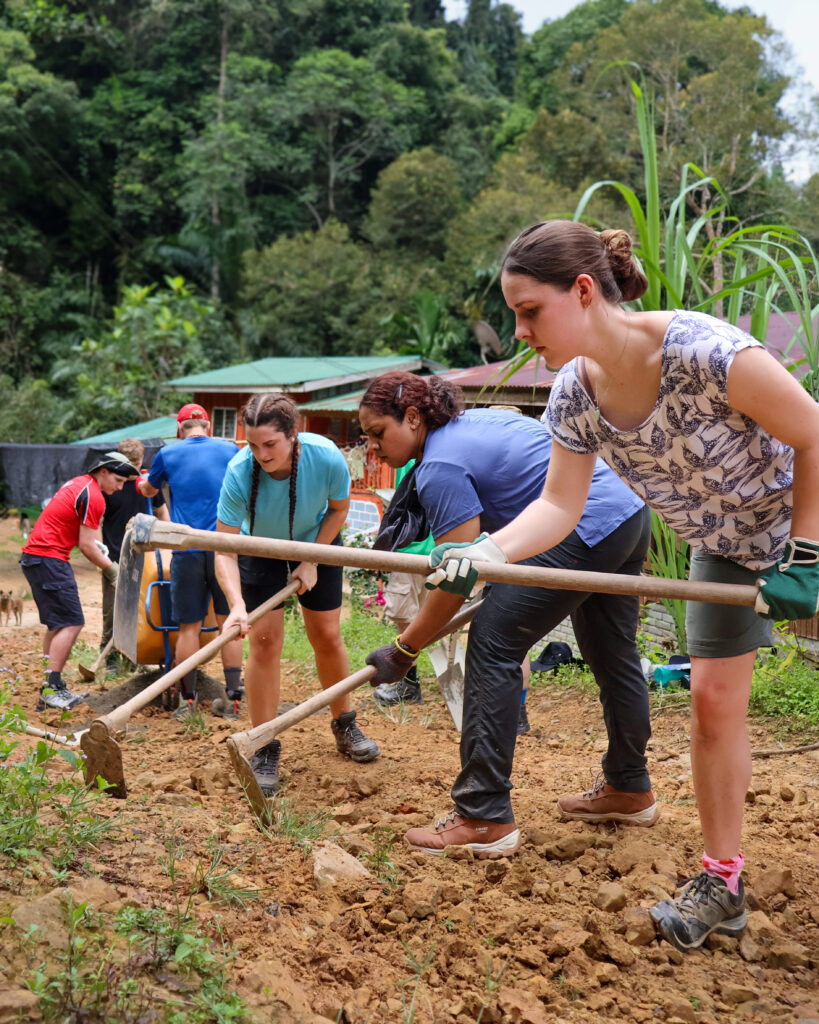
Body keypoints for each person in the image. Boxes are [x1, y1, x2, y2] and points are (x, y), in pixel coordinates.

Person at [425, 219, 819, 951]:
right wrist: (486, 550)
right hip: (724, 547)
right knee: (709, 704)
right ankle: (722, 884)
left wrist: (807, 553)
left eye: (529, 311)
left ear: (581, 291)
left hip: (806, 526)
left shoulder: (706, 353)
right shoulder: (574, 394)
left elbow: (814, 432)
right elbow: (556, 507)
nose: (518, 333)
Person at [359, 372, 653, 861]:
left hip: (579, 528)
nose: (372, 448)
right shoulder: (475, 423)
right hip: (625, 517)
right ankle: (630, 786)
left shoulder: (440, 466)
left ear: (412, 418)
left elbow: (456, 578)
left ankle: (483, 815)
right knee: (612, 652)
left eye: (377, 433)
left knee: (493, 646)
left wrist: (404, 649)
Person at [214, 393, 380, 798]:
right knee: (264, 641)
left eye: (270, 444)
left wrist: (312, 559)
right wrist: (236, 605)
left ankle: (345, 723)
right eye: (252, 445)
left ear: (293, 435)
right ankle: (264, 742)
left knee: (326, 635)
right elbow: (224, 546)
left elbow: (338, 509)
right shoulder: (240, 471)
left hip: (317, 543)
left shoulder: (325, 458)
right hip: (262, 550)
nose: (261, 454)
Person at [137, 404, 242, 717]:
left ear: (180, 429)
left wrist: (142, 481)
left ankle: (188, 701)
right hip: (225, 547)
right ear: (207, 425)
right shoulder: (230, 449)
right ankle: (232, 699)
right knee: (229, 625)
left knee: (188, 628)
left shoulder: (167, 454)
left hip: (186, 548)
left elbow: (148, 489)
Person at [21, 451, 139, 710]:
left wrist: (101, 551)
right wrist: (113, 571)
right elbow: (86, 545)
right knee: (72, 623)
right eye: (118, 480)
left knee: (57, 624)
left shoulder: (80, 484)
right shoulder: (94, 495)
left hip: (36, 558)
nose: (120, 488)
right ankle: (51, 689)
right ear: (104, 471)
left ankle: (50, 683)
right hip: (49, 559)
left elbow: (89, 536)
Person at [100, 438, 169, 672]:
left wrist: (167, 540)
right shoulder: (110, 487)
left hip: (143, 556)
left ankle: (134, 659)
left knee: (140, 608)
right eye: (128, 464)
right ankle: (110, 659)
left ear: (142, 461)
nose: (132, 470)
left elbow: (162, 512)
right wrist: (102, 555)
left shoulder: (148, 484)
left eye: (136, 463)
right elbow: (98, 520)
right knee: (113, 609)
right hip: (114, 555)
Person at [373, 459, 434, 707]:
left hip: (427, 550)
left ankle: (409, 684)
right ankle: (409, 682)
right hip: (418, 549)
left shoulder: (428, 458)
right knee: (406, 618)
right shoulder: (407, 459)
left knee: (423, 621)